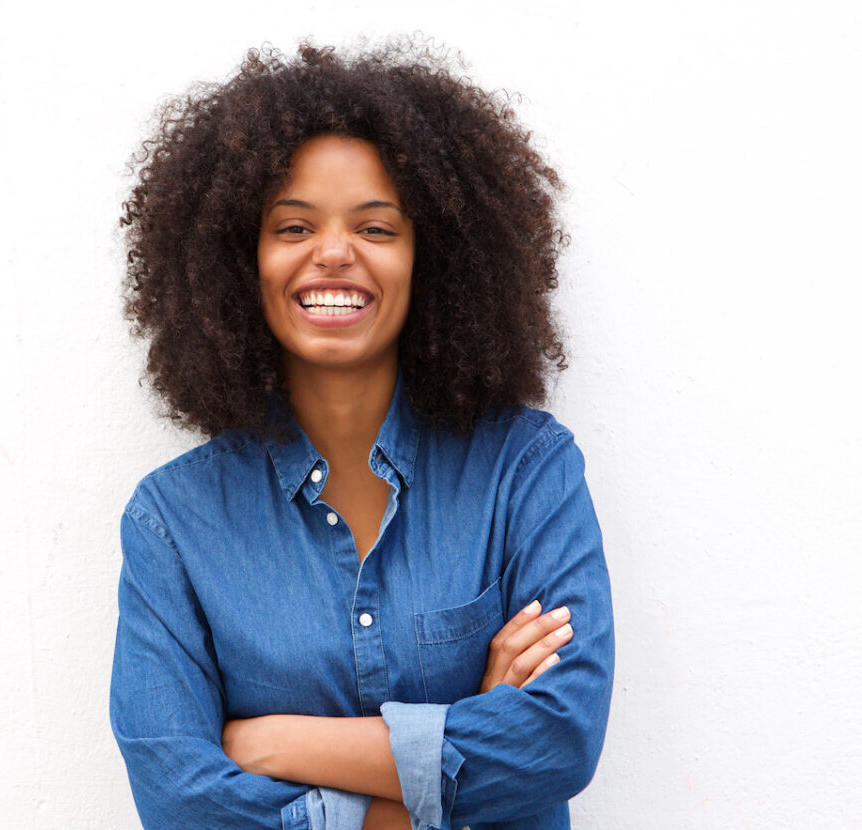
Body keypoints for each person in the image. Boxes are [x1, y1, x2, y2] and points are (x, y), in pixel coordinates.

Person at [110, 39, 614, 830]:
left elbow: (558, 741)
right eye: (293, 227)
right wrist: (449, 764)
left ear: (431, 257)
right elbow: (179, 802)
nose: (335, 253)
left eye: (377, 228)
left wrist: (273, 744)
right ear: (240, 262)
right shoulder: (172, 524)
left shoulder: (526, 471)